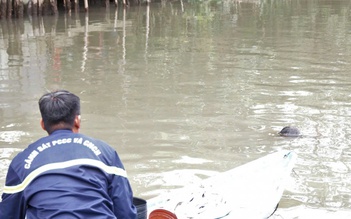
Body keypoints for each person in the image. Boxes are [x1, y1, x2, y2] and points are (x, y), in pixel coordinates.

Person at [0, 90, 137, 219]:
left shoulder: (22, 162)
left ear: (43, 124)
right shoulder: (106, 153)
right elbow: (125, 212)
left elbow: (8, 215)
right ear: (77, 120)